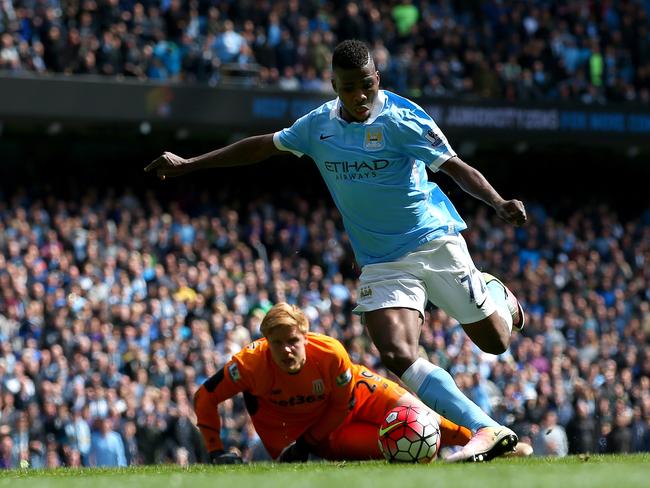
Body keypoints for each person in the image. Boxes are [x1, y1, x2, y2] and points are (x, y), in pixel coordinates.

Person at [148, 39, 527, 462]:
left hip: (433, 242)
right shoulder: (318, 126)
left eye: (367, 84)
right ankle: (486, 429)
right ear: (334, 85)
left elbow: (456, 166)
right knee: (397, 352)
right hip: (381, 261)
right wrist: (190, 164)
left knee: (496, 342)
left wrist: (498, 202)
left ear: (377, 79)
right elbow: (260, 146)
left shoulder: (404, 119)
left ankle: (497, 294)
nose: (361, 95)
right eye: (349, 87)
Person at [195, 302, 494, 463]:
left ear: (306, 337)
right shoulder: (248, 364)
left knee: (425, 419)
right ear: (266, 342)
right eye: (277, 343)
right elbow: (205, 397)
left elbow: (343, 402)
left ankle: (492, 439)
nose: (286, 349)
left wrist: (307, 443)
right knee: (401, 446)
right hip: (324, 435)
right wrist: (216, 451)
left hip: (355, 398)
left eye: (292, 341)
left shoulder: (329, 352)